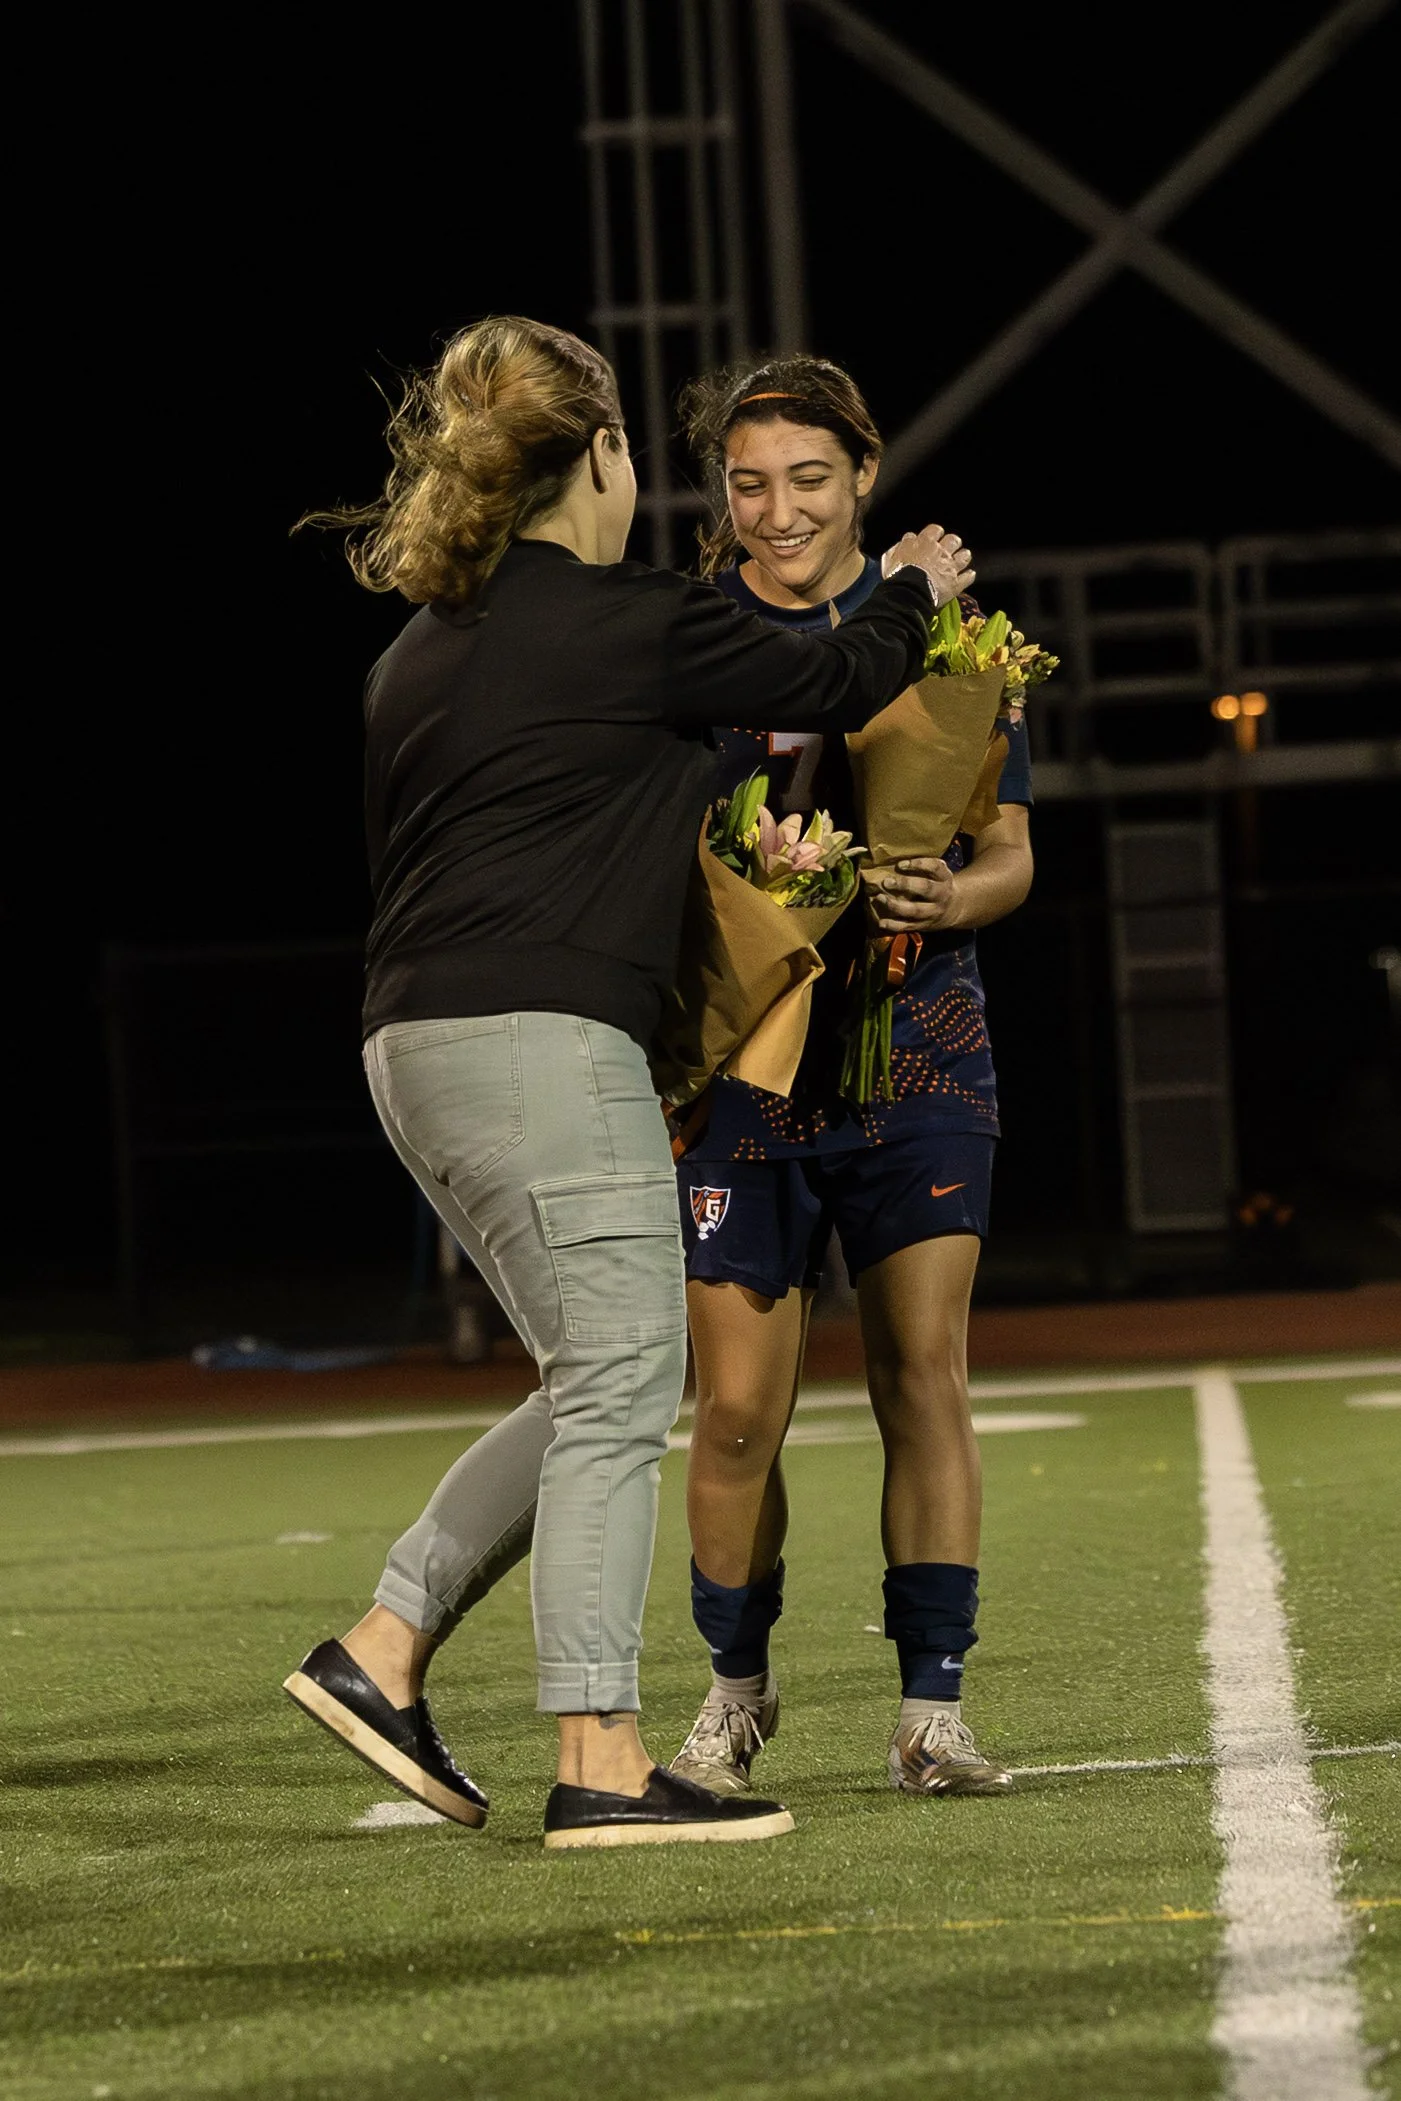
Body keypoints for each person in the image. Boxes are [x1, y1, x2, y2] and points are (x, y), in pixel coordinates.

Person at [282, 316, 974, 1849]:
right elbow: (848, 664)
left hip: (414, 1049)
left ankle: (382, 1654)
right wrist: (920, 585)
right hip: (537, 1040)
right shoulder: (629, 616)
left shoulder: (417, 648)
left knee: (593, 1377)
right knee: (621, 1385)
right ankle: (597, 1755)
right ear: (598, 456)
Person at [665, 355, 1033, 1801]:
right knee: (739, 1410)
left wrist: (957, 898)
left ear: (863, 480)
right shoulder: (684, 642)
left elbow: (1008, 850)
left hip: (922, 1046)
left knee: (922, 1376)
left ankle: (932, 1712)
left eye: (809, 478)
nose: (778, 509)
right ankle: (734, 1694)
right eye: (749, 483)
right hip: (743, 1070)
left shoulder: (959, 645)